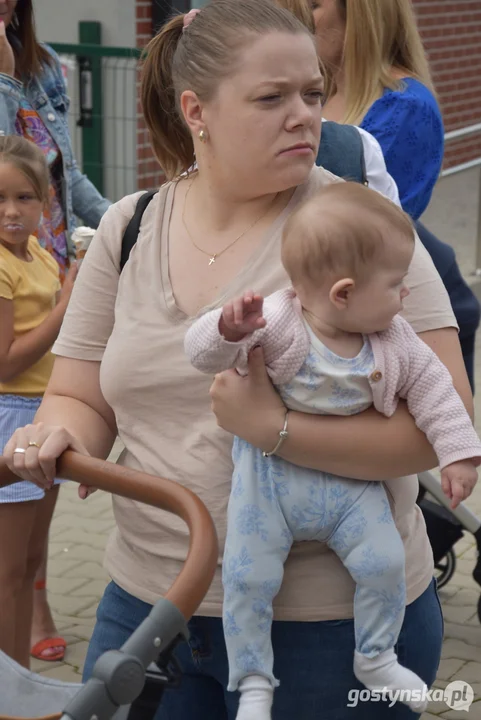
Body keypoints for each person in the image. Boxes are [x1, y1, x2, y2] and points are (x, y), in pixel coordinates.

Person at [1, 1, 471, 717]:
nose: (304, 115)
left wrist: (274, 429)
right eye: (271, 97)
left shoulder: (363, 231)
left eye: (312, 93)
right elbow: (81, 396)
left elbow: (435, 428)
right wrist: (58, 435)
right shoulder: (130, 228)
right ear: (197, 109)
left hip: (334, 627)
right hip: (150, 610)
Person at [185, 182, 481, 718]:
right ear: (343, 293)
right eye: (395, 285)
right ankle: (252, 676)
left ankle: (375, 656)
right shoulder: (276, 322)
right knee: (249, 577)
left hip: (351, 490)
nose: (404, 297)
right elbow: (202, 356)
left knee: (384, 563)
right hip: (269, 487)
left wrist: (458, 453)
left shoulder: (395, 340)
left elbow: (438, 391)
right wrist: (225, 329)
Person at [0, 0, 111, 661]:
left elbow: (61, 173)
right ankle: (11, 678)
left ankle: (19, 659)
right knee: (10, 565)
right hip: (13, 406)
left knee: (30, 548)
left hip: (38, 394)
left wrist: (127, 222)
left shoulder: (47, 68)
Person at [304, 0, 480, 391]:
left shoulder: (402, 107)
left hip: (386, 326)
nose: (297, 16)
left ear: (361, 14)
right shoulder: (315, 94)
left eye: (313, 4)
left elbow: (366, 236)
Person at [0, 134, 77, 669]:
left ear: (45, 203)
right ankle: (11, 685)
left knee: (30, 562)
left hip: (42, 417)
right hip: (11, 419)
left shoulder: (41, 258)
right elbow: (5, 362)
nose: (11, 211)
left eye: (25, 198)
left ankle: (19, 674)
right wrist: (65, 307)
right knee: (7, 571)